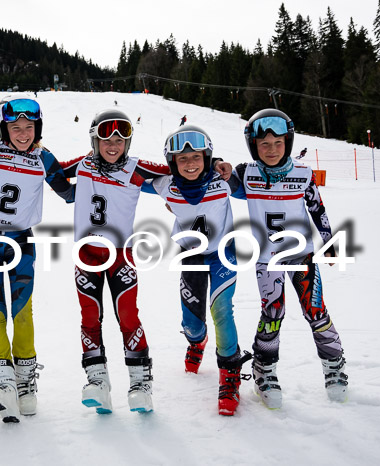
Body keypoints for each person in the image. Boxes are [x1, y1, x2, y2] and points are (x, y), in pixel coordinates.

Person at [60, 111, 231, 415]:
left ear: (127, 143)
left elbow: (178, 165)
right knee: (90, 316)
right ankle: (97, 381)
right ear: (94, 140)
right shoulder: (83, 164)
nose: (112, 146)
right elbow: (48, 170)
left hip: (121, 253)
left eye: (119, 140)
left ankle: (141, 384)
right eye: (105, 139)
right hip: (85, 253)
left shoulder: (135, 168)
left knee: (128, 315)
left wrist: (215, 163)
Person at [229, 108, 348, 409]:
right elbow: (212, 187)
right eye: (264, 144)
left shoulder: (304, 175)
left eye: (278, 142)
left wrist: (330, 241)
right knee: (273, 313)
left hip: (301, 254)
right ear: (253, 145)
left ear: (289, 142)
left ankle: (334, 366)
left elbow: (318, 210)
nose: (271, 149)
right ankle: (264, 370)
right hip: (267, 259)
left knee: (316, 310)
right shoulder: (246, 174)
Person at [0, 94, 75, 423]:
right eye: (16, 127)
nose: (23, 133)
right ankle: (2, 380)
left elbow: (69, 192)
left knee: (22, 310)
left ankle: (25, 382)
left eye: (30, 126)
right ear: (4, 128)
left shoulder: (44, 157)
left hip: (21, 239)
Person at [149, 125, 250, 416]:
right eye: (182, 159)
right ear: (172, 163)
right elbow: (128, 176)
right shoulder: (164, 183)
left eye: (196, 157)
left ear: (207, 157)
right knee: (192, 323)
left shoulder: (222, 178)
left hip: (222, 254)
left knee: (222, 311)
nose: (190, 164)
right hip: (191, 255)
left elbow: (252, 182)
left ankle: (229, 375)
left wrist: (229, 168)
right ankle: (197, 341)